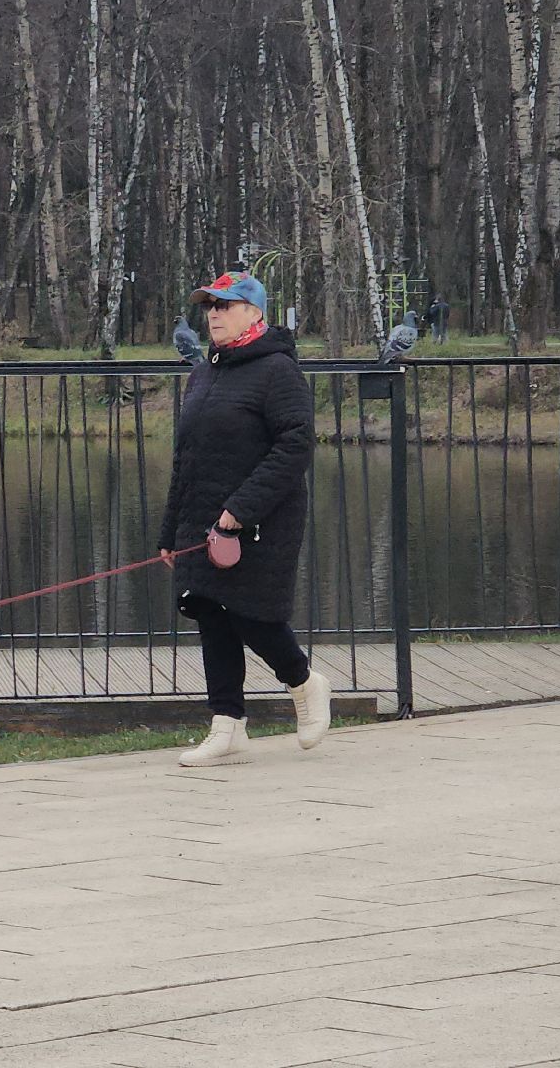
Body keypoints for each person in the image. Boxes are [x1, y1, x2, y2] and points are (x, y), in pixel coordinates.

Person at [157, 271, 332, 767]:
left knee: (252, 614)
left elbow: (295, 446)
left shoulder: (279, 370)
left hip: (260, 519)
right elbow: (185, 457)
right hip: (201, 518)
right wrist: (170, 531)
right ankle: (227, 725)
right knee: (210, 612)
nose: (213, 314)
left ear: (254, 313)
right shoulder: (203, 371)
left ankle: (303, 682)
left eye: (224, 305)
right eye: (209, 306)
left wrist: (240, 509)